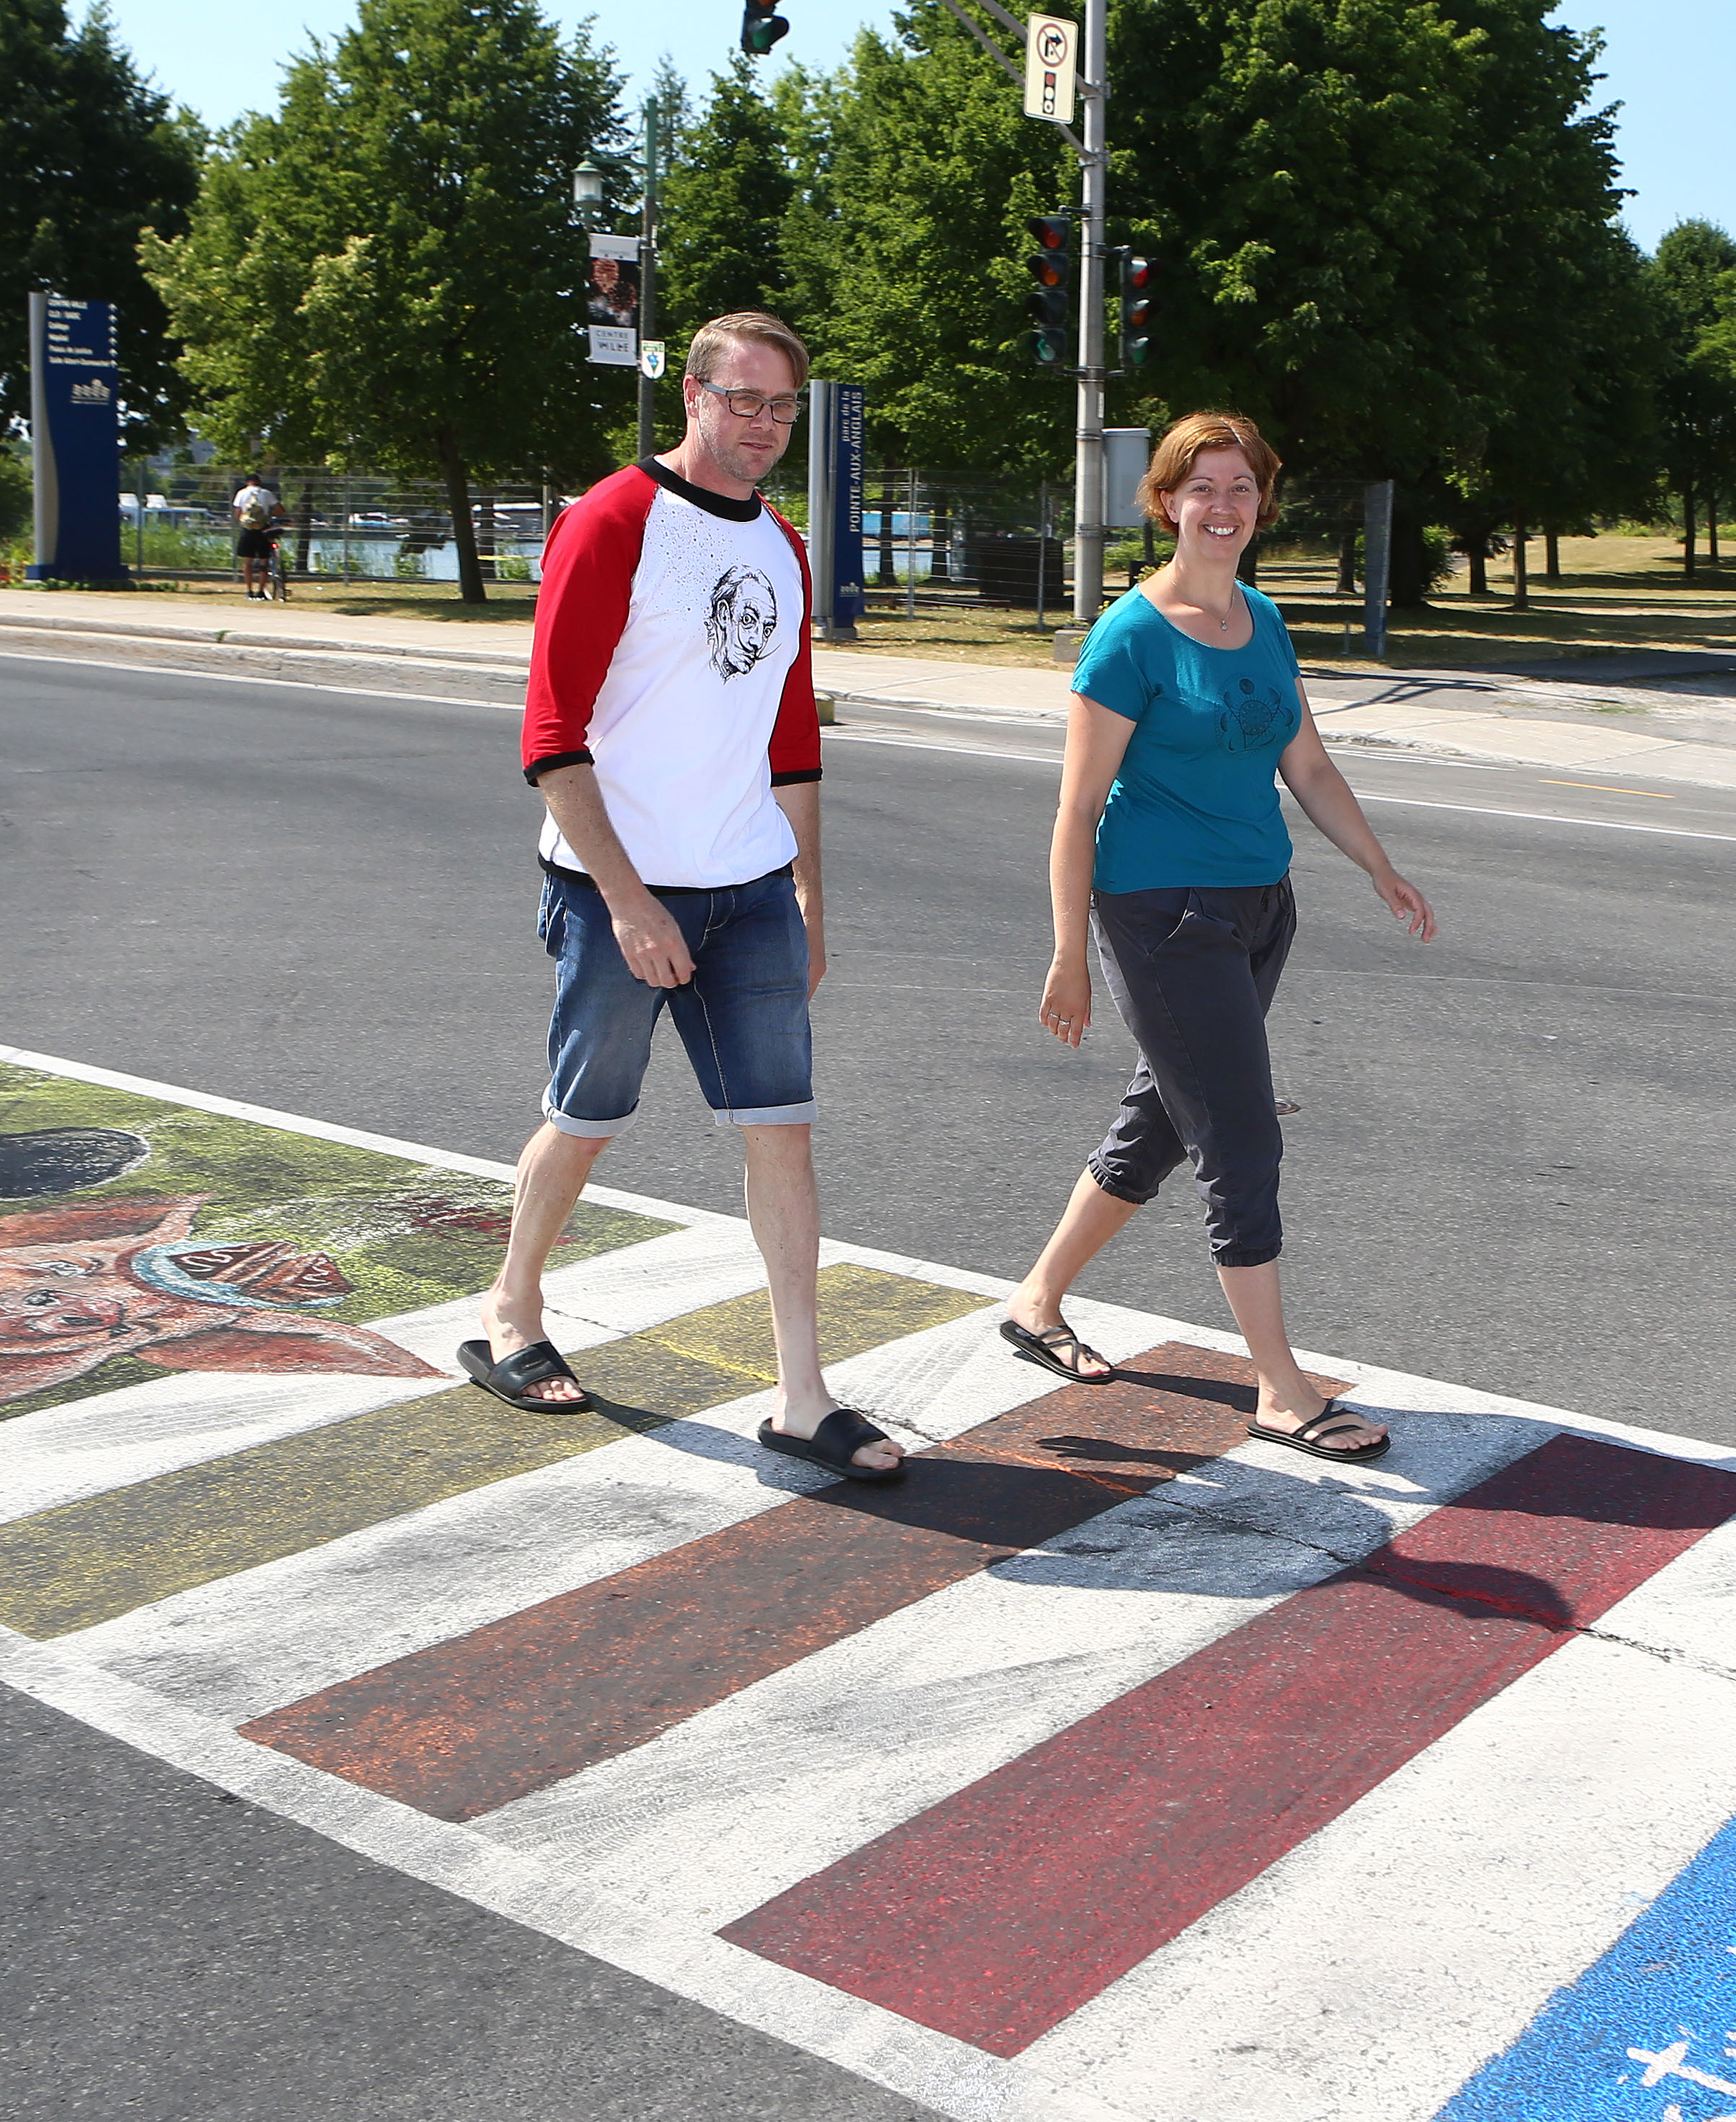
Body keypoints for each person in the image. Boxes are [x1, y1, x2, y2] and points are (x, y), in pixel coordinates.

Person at [474, 310, 901, 1483]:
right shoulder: (613, 520)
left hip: (749, 884)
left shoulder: (779, 543)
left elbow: (790, 729)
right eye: (743, 401)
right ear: (695, 398)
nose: (763, 426)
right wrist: (625, 900)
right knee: (590, 1114)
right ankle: (512, 1307)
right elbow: (551, 736)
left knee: (782, 1131)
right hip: (620, 884)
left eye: (781, 408)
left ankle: (803, 1396)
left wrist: (810, 890)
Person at [1001, 410, 1437, 1463]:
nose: (1224, 506)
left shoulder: (1263, 619)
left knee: (1164, 1114)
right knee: (1239, 1137)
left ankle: (1035, 1300)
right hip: (1160, 911)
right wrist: (1069, 950)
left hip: (1257, 906)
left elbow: (1310, 766)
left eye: (1242, 487)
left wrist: (1376, 866)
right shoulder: (1130, 635)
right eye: (1203, 487)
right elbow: (1075, 807)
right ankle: (1282, 1390)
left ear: (1260, 505)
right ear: (1166, 503)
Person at [230, 471, 284, 599]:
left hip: (248, 530)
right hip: (263, 530)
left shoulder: (241, 493)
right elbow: (280, 510)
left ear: (246, 483)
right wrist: (269, 515)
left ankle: (249, 591)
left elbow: (237, 514)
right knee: (263, 562)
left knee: (247, 562)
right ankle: (261, 591)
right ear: (259, 482)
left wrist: (245, 519)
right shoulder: (266, 493)